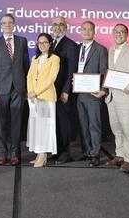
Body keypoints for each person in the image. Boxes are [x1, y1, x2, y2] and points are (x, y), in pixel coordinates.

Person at [0, 13, 30, 165]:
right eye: (4, 23)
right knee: (1, 123)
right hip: (1, 88)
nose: (7, 25)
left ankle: (14, 154)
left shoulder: (22, 41)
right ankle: (2, 153)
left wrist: (27, 88)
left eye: (10, 22)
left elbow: (26, 66)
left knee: (16, 123)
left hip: (18, 88)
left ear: (14, 25)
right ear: (1, 25)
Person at [105, 24, 129, 171]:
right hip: (112, 97)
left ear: (127, 34)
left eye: (122, 32)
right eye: (116, 32)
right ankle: (120, 154)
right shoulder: (110, 50)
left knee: (128, 130)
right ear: (112, 33)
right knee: (116, 129)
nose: (118, 34)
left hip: (126, 97)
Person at [74, 21, 108, 167]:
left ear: (94, 32)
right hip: (79, 93)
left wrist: (104, 90)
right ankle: (86, 151)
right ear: (80, 31)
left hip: (93, 94)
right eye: (84, 29)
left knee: (94, 125)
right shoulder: (77, 48)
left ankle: (95, 155)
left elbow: (104, 70)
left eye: (90, 29)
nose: (87, 32)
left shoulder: (100, 49)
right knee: (83, 125)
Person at [26, 33, 60, 167]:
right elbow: (29, 76)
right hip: (34, 99)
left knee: (46, 127)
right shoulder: (35, 58)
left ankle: (44, 154)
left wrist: (36, 92)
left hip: (46, 98)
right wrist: (30, 92)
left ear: (50, 44)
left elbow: (51, 79)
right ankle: (38, 153)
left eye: (45, 42)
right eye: (39, 43)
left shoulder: (55, 59)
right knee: (36, 127)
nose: (42, 45)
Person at [51, 16, 79, 163]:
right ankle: (57, 151)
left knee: (64, 123)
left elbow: (71, 71)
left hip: (63, 93)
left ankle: (66, 153)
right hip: (51, 93)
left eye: (61, 24)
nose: (58, 27)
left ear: (66, 27)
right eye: (55, 24)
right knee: (56, 123)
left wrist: (66, 91)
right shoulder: (51, 44)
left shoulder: (71, 45)